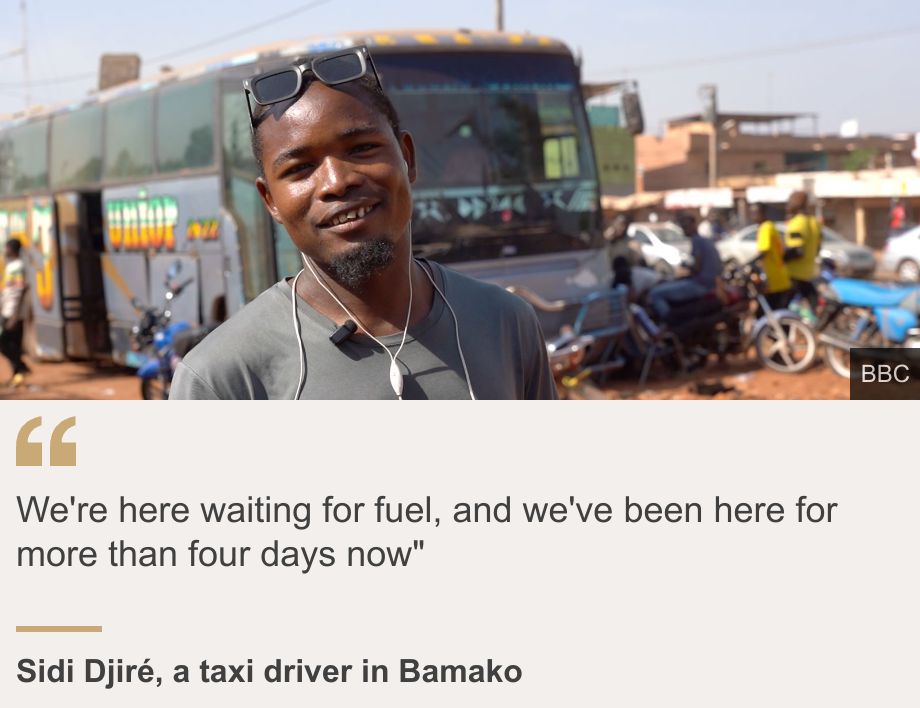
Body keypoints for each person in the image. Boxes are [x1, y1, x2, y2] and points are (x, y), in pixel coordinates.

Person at [169, 46, 555, 400]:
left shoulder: (507, 325)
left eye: (362, 148)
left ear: (408, 158)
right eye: (301, 168)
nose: (338, 182)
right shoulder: (221, 379)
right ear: (270, 200)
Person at [646, 213, 721, 320]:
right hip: (708, 283)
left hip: (701, 285)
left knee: (656, 294)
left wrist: (686, 269)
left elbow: (697, 268)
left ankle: (669, 323)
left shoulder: (697, 241)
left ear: (693, 225)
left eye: (686, 226)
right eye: (683, 226)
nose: (684, 230)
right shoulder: (704, 240)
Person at [0, 238, 30, 386]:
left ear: (12, 249)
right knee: (12, 344)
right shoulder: (10, 266)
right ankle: (17, 374)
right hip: (8, 310)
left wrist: (15, 315)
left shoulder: (17, 267)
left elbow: (21, 289)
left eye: (6, 248)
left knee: (5, 342)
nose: (5, 250)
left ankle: (21, 368)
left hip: (14, 312)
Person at [750, 203, 792, 309]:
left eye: (756, 212)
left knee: (768, 311)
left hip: (773, 277)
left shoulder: (765, 228)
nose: (753, 216)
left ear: (763, 213)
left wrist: (749, 263)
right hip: (779, 274)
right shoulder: (770, 226)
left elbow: (764, 251)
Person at [784, 191, 821, 310]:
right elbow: (818, 248)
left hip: (793, 274)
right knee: (813, 304)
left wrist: (780, 257)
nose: (787, 206)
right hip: (809, 272)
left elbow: (797, 251)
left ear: (796, 204)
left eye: (790, 202)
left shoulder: (797, 223)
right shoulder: (814, 222)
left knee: (780, 307)